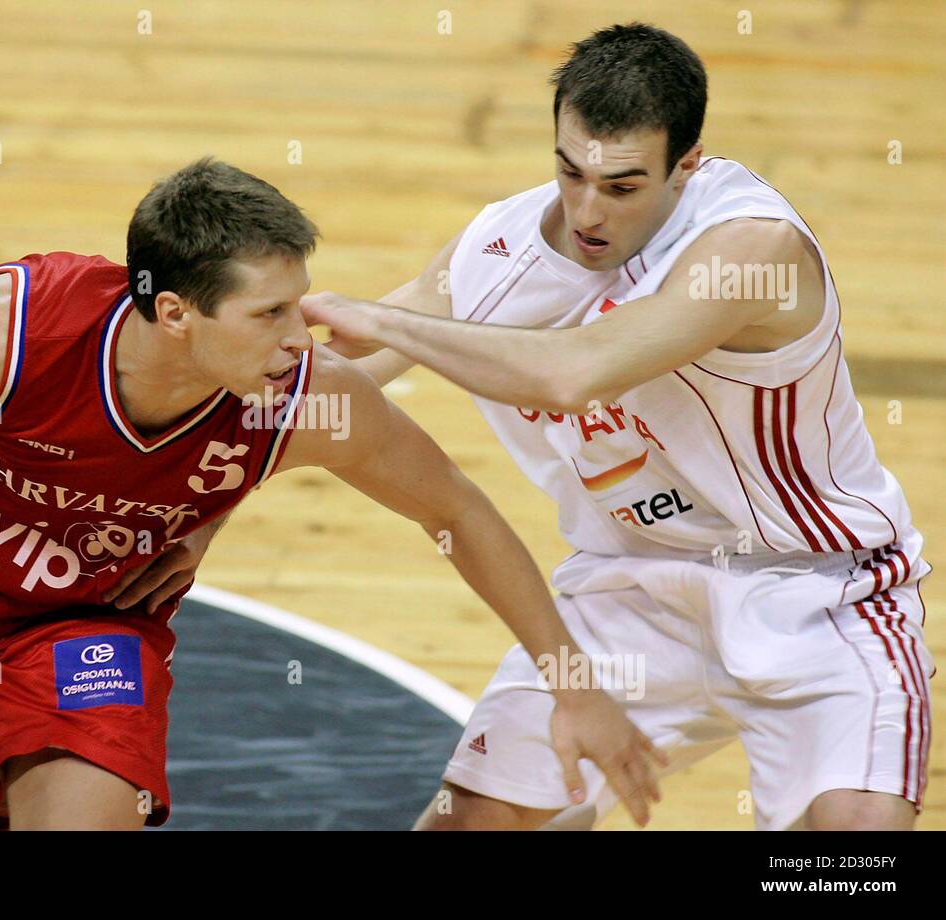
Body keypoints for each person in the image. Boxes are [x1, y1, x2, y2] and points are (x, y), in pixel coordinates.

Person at [0, 158, 663, 830]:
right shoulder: (11, 333)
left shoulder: (301, 399)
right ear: (174, 312)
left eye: (298, 304)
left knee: (88, 813)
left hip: (93, 614)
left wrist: (572, 682)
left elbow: (458, 510)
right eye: (269, 314)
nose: (297, 337)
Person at [302, 24, 933, 831]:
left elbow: (574, 372)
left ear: (688, 164)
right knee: (467, 825)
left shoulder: (751, 248)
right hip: (627, 588)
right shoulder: (498, 253)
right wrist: (183, 495)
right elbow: (330, 394)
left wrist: (383, 320)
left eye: (624, 187)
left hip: (820, 590)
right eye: (570, 172)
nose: (588, 210)